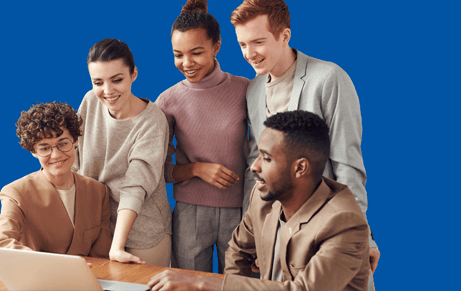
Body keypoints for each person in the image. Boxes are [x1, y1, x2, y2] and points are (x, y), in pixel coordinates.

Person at [232, 0, 380, 272]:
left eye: (258, 42)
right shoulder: (253, 90)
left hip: (326, 226)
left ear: (284, 35)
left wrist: (361, 236)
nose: (249, 53)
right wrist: (254, 238)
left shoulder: (328, 78)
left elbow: (348, 165)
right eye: (242, 44)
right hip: (276, 233)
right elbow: (257, 168)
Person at [148, 110, 371, 290]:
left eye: (266, 158)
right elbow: (238, 251)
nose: (254, 167)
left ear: (300, 167)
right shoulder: (263, 197)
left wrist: (205, 282)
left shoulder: (344, 223)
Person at [155, 0, 249, 273]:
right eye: (177, 54)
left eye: (196, 52)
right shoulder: (167, 101)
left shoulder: (247, 90)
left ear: (216, 46)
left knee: (242, 284)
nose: (187, 62)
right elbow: (158, 171)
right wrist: (196, 169)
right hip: (188, 214)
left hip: (242, 212)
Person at [75, 38, 172, 267]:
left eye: (117, 80)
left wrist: (117, 246)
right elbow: (74, 160)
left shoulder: (152, 121)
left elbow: (136, 185)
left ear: (134, 74)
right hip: (97, 226)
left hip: (143, 231)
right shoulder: (90, 102)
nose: (107, 91)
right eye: (98, 82)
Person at [0, 102, 112, 258]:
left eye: (63, 143)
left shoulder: (98, 192)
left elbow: (102, 255)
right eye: (45, 148)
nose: (56, 155)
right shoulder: (16, 193)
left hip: (91, 278)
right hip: (39, 279)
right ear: (33, 151)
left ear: (75, 141)